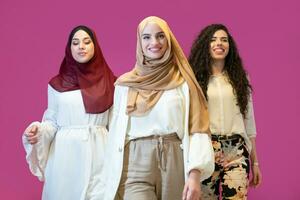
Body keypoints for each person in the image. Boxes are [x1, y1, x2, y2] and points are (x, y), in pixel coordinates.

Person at [103, 16, 214, 200]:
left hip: (174, 159)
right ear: (139, 41)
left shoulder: (183, 83)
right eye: (146, 37)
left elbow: (198, 130)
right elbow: (114, 131)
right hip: (135, 161)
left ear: (169, 39)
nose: (154, 42)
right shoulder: (125, 85)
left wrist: (194, 174)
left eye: (160, 36)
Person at [22, 25, 116, 200]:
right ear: (69, 48)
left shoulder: (111, 83)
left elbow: (116, 124)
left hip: (100, 152)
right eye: (75, 42)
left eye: (87, 42)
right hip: (66, 157)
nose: (81, 46)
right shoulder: (57, 85)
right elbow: (52, 122)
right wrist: (38, 131)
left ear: (95, 47)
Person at [189, 24, 262, 199]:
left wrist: (255, 162)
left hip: (236, 149)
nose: (219, 43)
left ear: (230, 46)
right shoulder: (195, 80)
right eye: (213, 40)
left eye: (224, 40)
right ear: (205, 45)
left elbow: (249, 121)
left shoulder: (240, 79)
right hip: (206, 149)